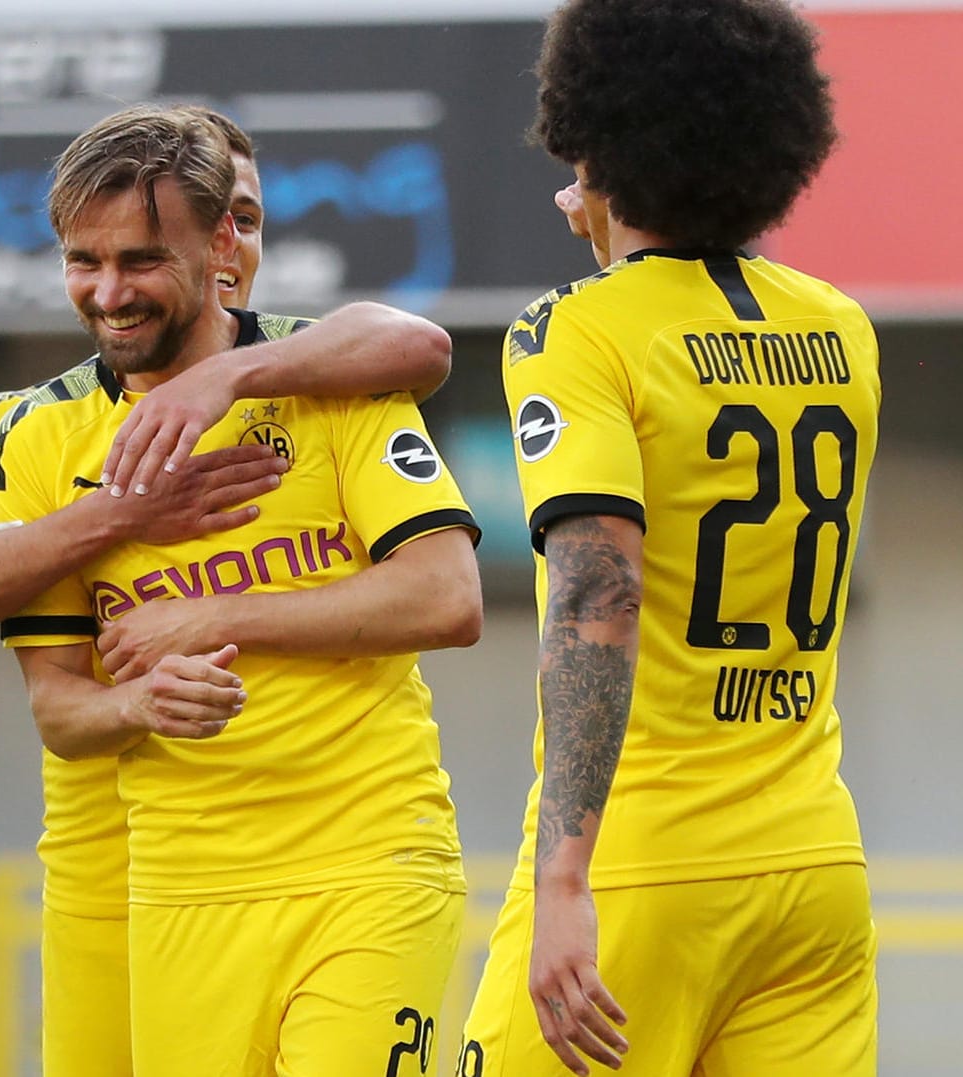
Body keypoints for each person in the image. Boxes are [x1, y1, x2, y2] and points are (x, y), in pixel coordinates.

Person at [0, 107, 457, 1076]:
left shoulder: (326, 375)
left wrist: (224, 387)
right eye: (83, 261)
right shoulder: (22, 432)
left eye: (142, 260)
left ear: (224, 242)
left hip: (365, 855)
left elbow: (444, 582)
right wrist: (120, 516)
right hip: (130, 878)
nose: (107, 291)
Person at [457, 3, 879, 1075]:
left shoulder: (574, 331)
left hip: (643, 868)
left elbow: (596, 596)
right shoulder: (839, 325)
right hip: (813, 867)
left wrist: (562, 881)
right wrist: (619, 211)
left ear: (593, 144)